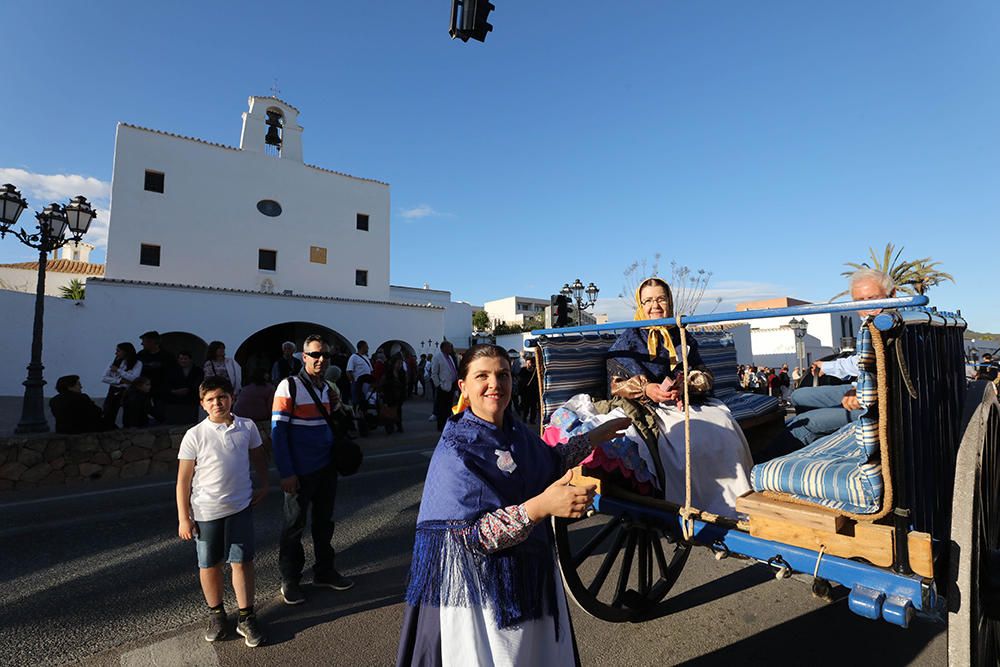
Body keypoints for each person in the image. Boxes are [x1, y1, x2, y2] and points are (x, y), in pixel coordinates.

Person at [396, 344, 630, 666]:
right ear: (463, 386)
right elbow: (475, 536)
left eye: (502, 375)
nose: (495, 384)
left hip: (529, 576)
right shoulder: (456, 449)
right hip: (481, 595)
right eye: (483, 376)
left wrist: (594, 437)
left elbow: (549, 461)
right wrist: (542, 506)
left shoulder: (516, 431)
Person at [604, 277, 755, 517]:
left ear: (670, 302)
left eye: (661, 299)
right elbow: (616, 383)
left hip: (686, 401)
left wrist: (686, 385)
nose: (655, 306)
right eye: (648, 301)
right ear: (640, 305)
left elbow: (703, 373)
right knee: (691, 440)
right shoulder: (629, 339)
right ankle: (699, 508)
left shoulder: (681, 334)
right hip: (655, 409)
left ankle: (740, 505)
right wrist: (647, 390)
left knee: (725, 426)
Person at [176, 375, 269, 648]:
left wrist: (264, 483)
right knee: (210, 564)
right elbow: (183, 479)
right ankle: (216, 614)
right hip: (206, 511)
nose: (218, 403)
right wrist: (184, 517)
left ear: (232, 398)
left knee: (242, 561)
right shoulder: (195, 435)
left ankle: (246, 615)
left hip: (240, 507)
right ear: (203, 404)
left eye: (222, 397)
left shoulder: (246, 427)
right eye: (211, 399)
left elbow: (258, 455)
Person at [271, 335, 354, 605]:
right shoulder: (289, 387)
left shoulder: (326, 388)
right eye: (315, 355)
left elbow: (338, 422)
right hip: (300, 470)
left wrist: (336, 403)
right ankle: (290, 579)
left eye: (325, 356)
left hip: (326, 467)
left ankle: (324, 571)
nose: (321, 360)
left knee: (323, 523)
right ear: (303, 357)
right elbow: (278, 433)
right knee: (294, 526)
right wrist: (286, 472)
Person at [783, 268, 895, 448]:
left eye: (873, 298)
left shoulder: (891, 326)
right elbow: (863, 360)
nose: (866, 306)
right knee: (798, 395)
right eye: (859, 301)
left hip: (880, 401)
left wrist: (864, 391)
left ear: (892, 294)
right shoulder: (871, 325)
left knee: (802, 424)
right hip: (866, 389)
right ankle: (826, 435)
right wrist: (827, 367)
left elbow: (892, 370)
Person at [137, 331, 177, 421]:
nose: (142, 344)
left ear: (152, 342)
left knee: (160, 410)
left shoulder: (167, 356)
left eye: (145, 341)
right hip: (144, 389)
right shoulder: (141, 355)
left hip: (161, 388)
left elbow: (173, 372)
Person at [101, 342, 142, 426]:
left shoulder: (137, 363)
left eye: (118, 351)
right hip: (113, 390)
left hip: (127, 391)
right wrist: (120, 381)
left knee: (128, 414)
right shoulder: (114, 362)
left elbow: (134, 378)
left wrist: (118, 371)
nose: (116, 353)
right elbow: (104, 378)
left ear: (126, 352)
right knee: (108, 412)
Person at [165, 351, 204, 425]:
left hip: (192, 400)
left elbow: (199, 383)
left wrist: (188, 390)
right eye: (181, 359)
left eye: (185, 359)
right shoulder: (172, 371)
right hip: (175, 401)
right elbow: (167, 383)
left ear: (190, 360)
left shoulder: (197, 371)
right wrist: (174, 391)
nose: (183, 361)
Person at [430, 341, 459, 431]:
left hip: (451, 385)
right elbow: (434, 373)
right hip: (443, 386)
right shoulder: (438, 357)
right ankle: (441, 425)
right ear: (443, 348)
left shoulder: (450, 357)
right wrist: (438, 385)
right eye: (448, 347)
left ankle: (447, 424)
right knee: (441, 407)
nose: (450, 349)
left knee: (448, 407)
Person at [379, 354, 408, 434]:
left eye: (401, 363)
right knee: (390, 410)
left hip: (398, 395)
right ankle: (390, 426)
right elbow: (384, 384)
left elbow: (404, 384)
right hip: (390, 394)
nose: (400, 365)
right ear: (394, 363)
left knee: (398, 410)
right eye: (398, 363)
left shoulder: (401, 372)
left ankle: (399, 425)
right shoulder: (388, 373)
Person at [346, 340, 373, 408]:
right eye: (366, 347)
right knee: (357, 401)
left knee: (364, 401)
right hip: (358, 384)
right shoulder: (353, 357)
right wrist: (353, 382)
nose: (368, 348)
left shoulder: (366, 357)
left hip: (366, 384)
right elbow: (349, 371)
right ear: (362, 347)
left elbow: (371, 370)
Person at [518, 354, 539, 423]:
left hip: (534, 392)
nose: (528, 365)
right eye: (527, 363)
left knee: (533, 407)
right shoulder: (523, 370)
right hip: (525, 392)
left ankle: (532, 420)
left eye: (529, 363)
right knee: (526, 407)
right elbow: (520, 381)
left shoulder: (536, 372)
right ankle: (524, 418)